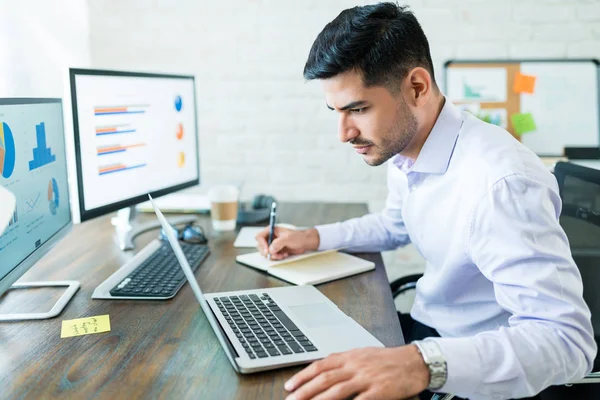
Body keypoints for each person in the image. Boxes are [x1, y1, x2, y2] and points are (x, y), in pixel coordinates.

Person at [255, 3, 596, 400]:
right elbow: (394, 224)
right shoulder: (404, 146)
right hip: (427, 332)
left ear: (416, 87)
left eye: (358, 109)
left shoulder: (501, 184)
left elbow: (568, 341)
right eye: (335, 111)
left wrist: (420, 364)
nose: (343, 133)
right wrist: (313, 237)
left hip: (475, 366)